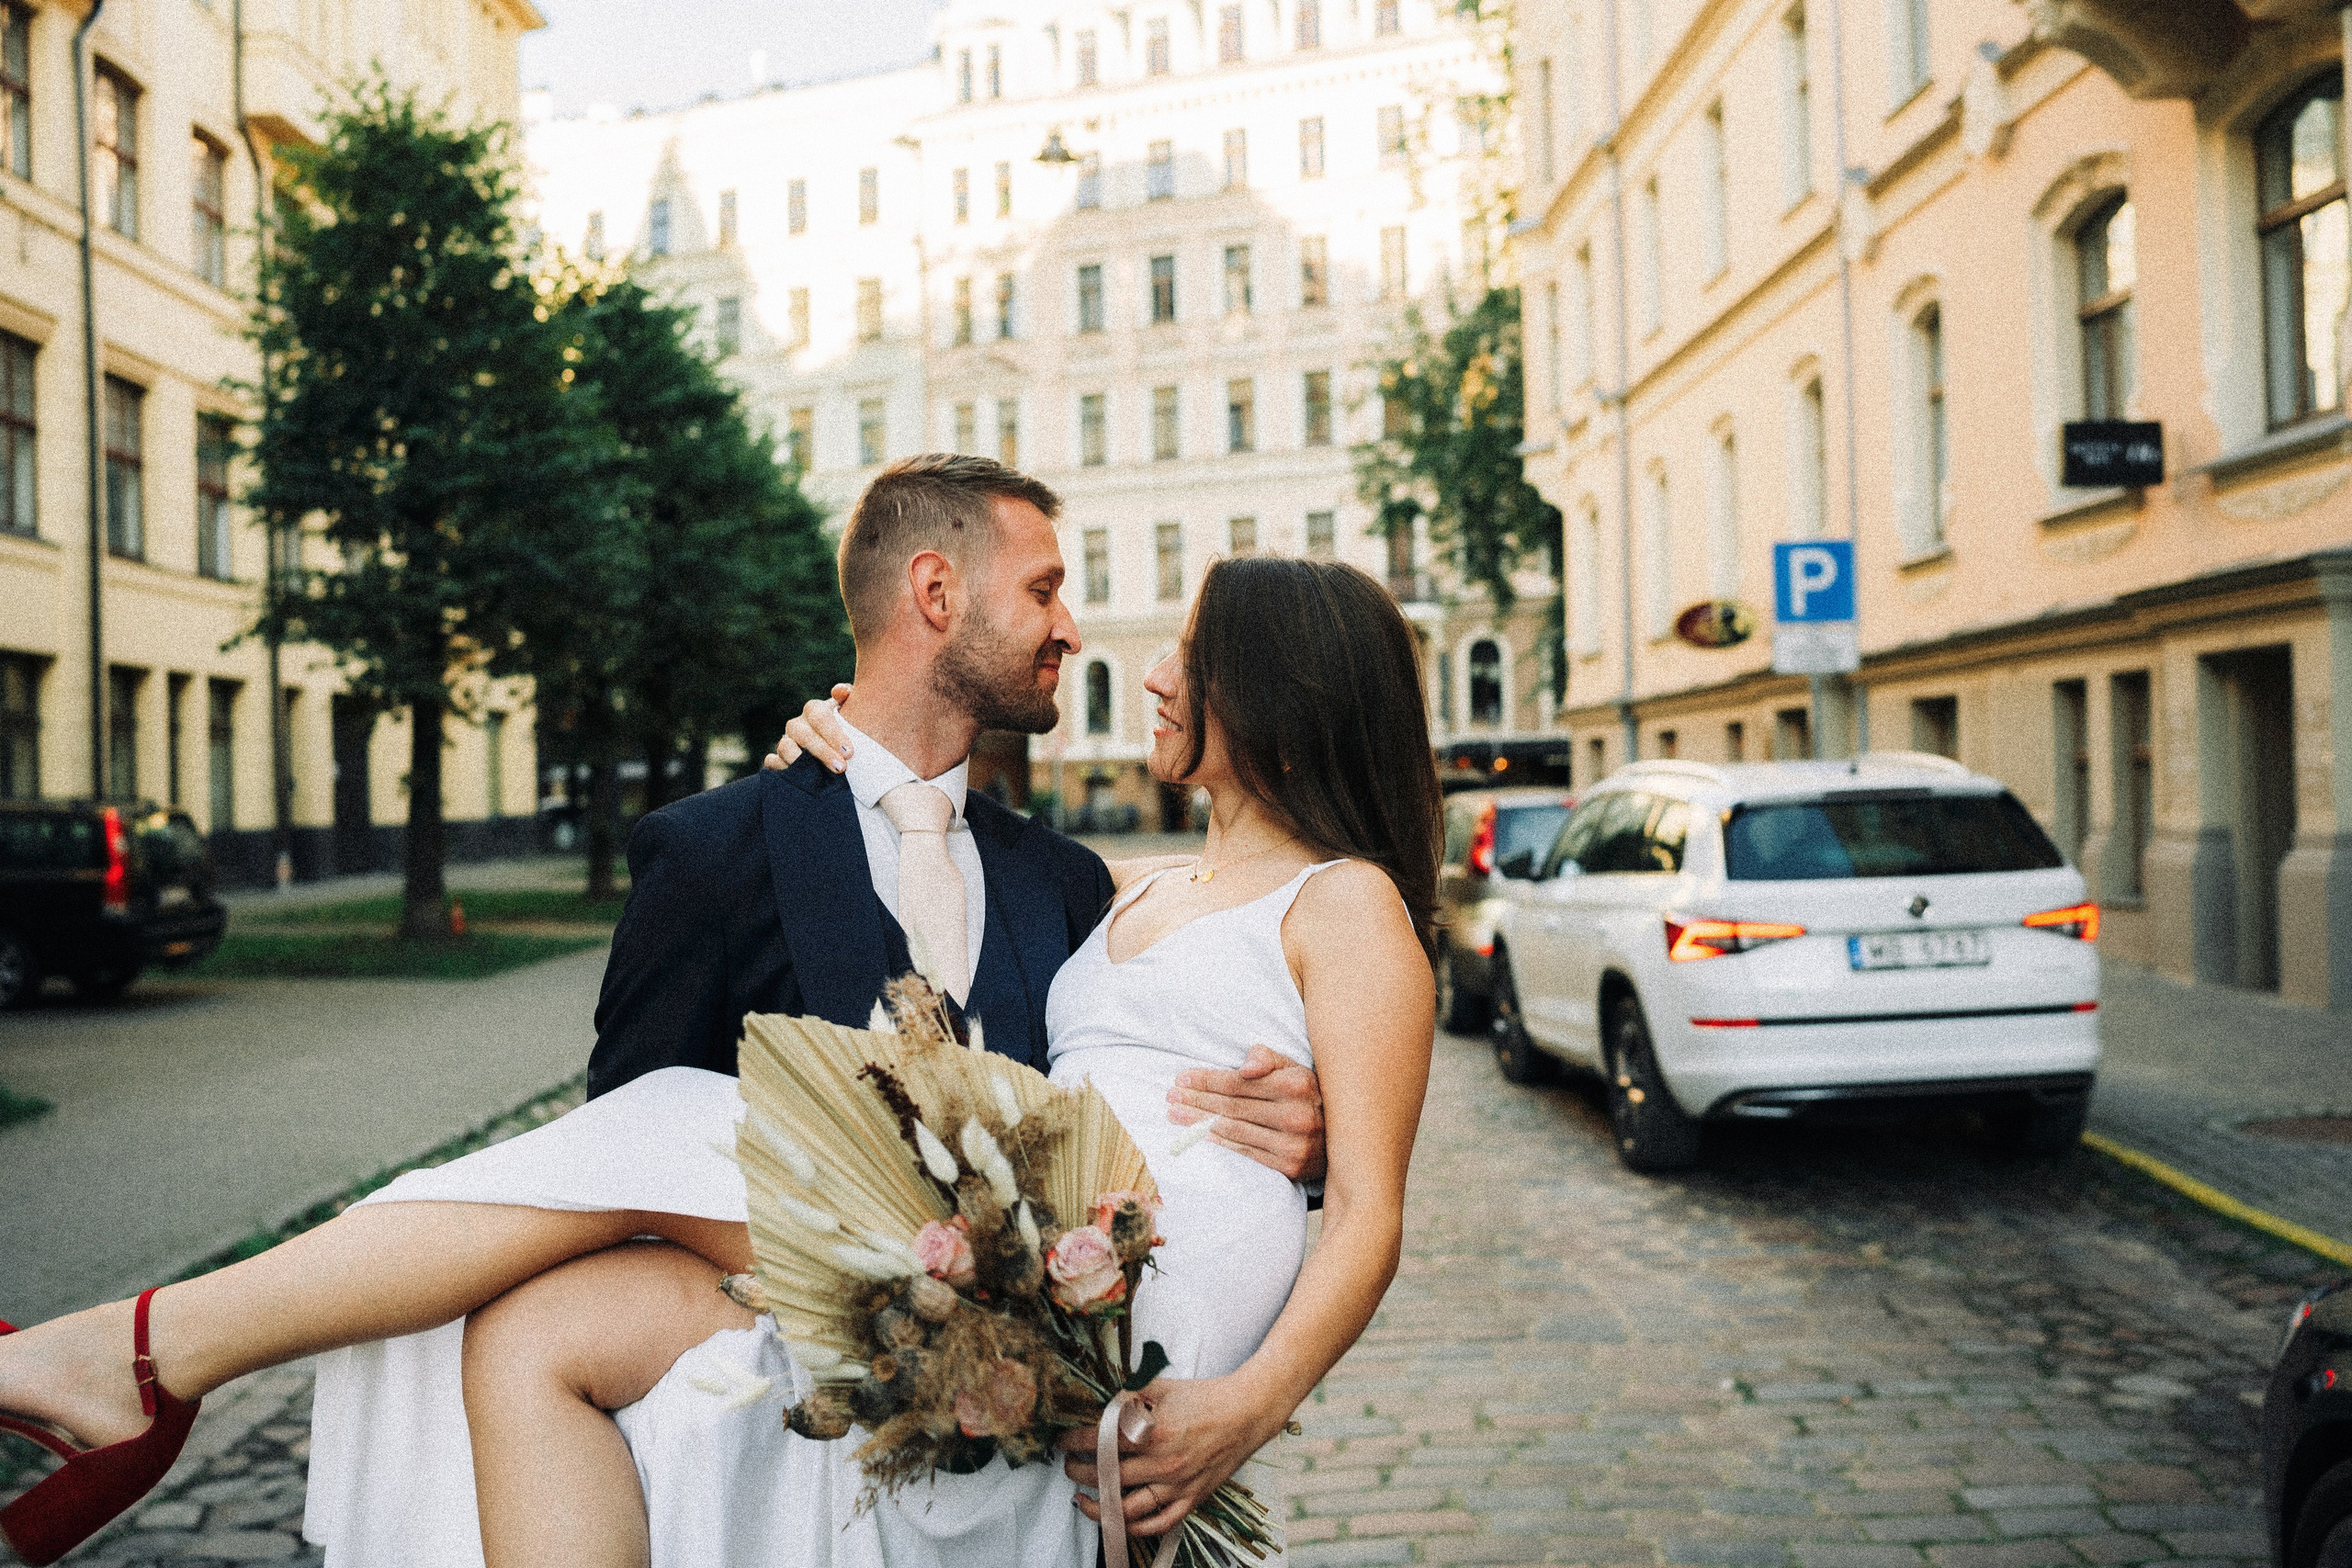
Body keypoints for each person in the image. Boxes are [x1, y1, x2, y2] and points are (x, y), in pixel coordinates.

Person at [0, 456, 1335, 1567]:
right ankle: (148, 1357)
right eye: (1045, 587)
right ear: (937, 591)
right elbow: (610, 1155)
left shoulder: (1067, 884)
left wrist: (1297, 1128)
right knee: (630, 1175)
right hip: (780, 1372)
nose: (1072, 629)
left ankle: (149, 1353)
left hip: (1013, 1375)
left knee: (685, 1123)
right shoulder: (718, 851)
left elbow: (1167, 1044)